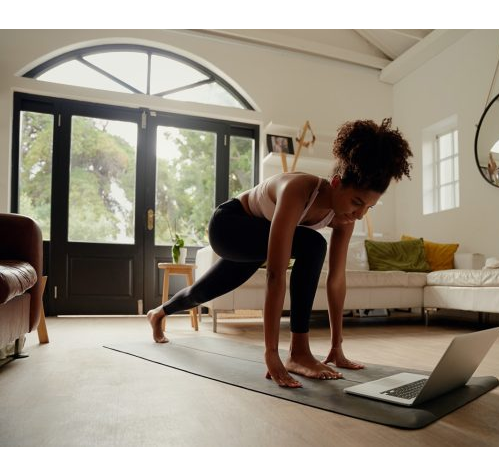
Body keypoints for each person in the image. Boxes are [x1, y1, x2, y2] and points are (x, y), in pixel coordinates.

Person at [147, 118, 412, 388]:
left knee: (204, 291)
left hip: (257, 236)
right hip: (229, 226)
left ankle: (159, 313)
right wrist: (271, 354)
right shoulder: (298, 190)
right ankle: (297, 353)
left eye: (369, 207)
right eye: (357, 202)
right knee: (313, 244)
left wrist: (337, 347)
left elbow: (336, 280)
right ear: (335, 183)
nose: (359, 214)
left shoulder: (345, 216)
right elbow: (276, 273)